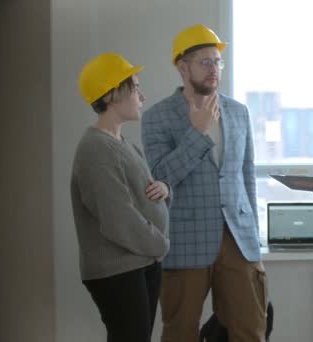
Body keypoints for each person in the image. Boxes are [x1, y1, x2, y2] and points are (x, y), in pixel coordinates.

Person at [141, 24, 266, 342]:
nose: (215, 69)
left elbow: (245, 176)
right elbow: (161, 176)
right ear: (183, 68)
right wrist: (197, 133)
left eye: (218, 62)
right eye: (206, 62)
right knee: (180, 332)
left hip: (237, 240)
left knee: (250, 330)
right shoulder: (157, 117)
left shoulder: (238, 112)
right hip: (185, 240)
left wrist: (253, 237)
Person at [71, 52, 171, 342]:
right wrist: (160, 244)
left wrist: (165, 189)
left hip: (141, 263)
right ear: (113, 94)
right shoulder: (95, 150)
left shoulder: (122, 143)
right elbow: (118, 219)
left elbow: (144, 195)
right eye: (136, 87)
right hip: (119, 269)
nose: (142, 95)